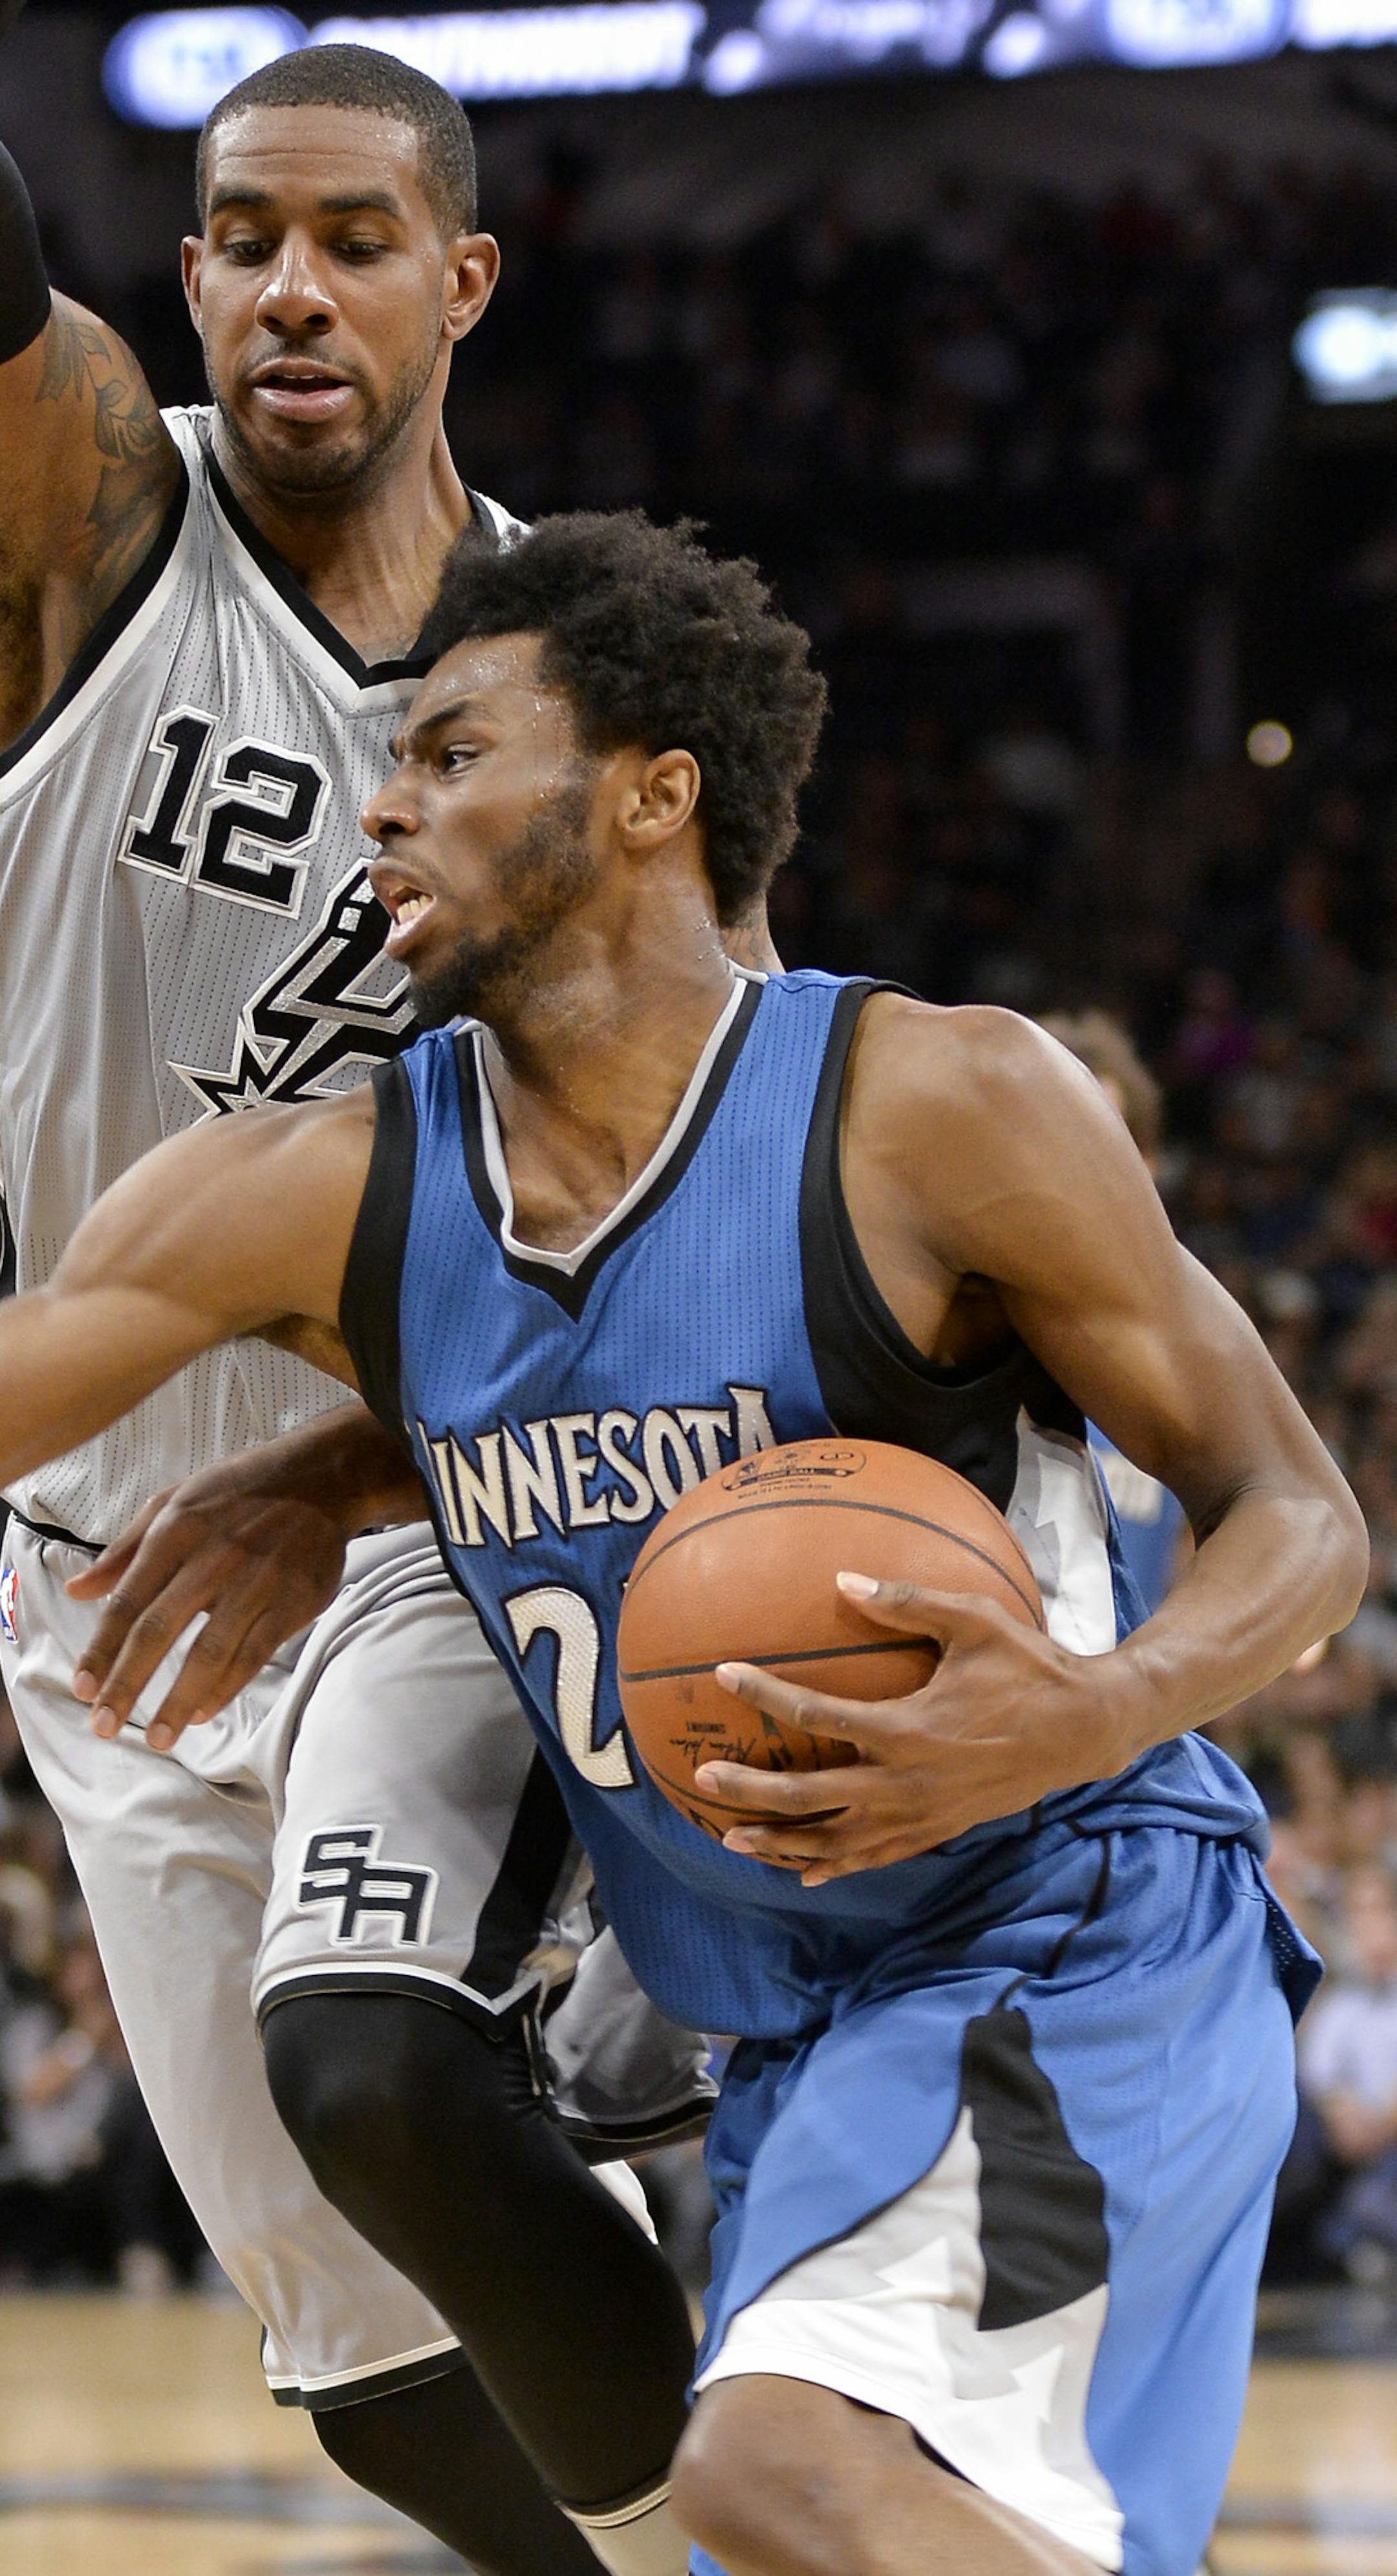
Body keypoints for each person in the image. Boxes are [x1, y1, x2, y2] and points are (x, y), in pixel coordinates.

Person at [0, 507, 1367, 2576]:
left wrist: (1087, 1705)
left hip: (1065, 1938)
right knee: (766, 2517)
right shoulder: (331, 1186)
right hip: (798, 2030)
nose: (387, 804)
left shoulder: (935, 1106)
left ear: (656, 791)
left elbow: (1306, 1518)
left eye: (455, 752)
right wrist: (357, 1460)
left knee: (770, 2486)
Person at [0, 45, 712, 2575]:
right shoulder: (92, 513)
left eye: (356, 238)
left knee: (405, 2075)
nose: (294, 286)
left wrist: (370, 1459)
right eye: (243, 238)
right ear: (180, 273)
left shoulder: (582, 670)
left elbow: (681, 1184)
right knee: (371, 2356)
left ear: (462, 279)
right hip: (93, 1555)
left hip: (433, 1495)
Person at [1037, 1010, 1188, 1615]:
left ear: (1147, 1172)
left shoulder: (1193, 1364)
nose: (1077, 1166)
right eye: (1052, 1134)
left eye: (1103, 1137)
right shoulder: (923, 1329)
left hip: (1131, 1701)